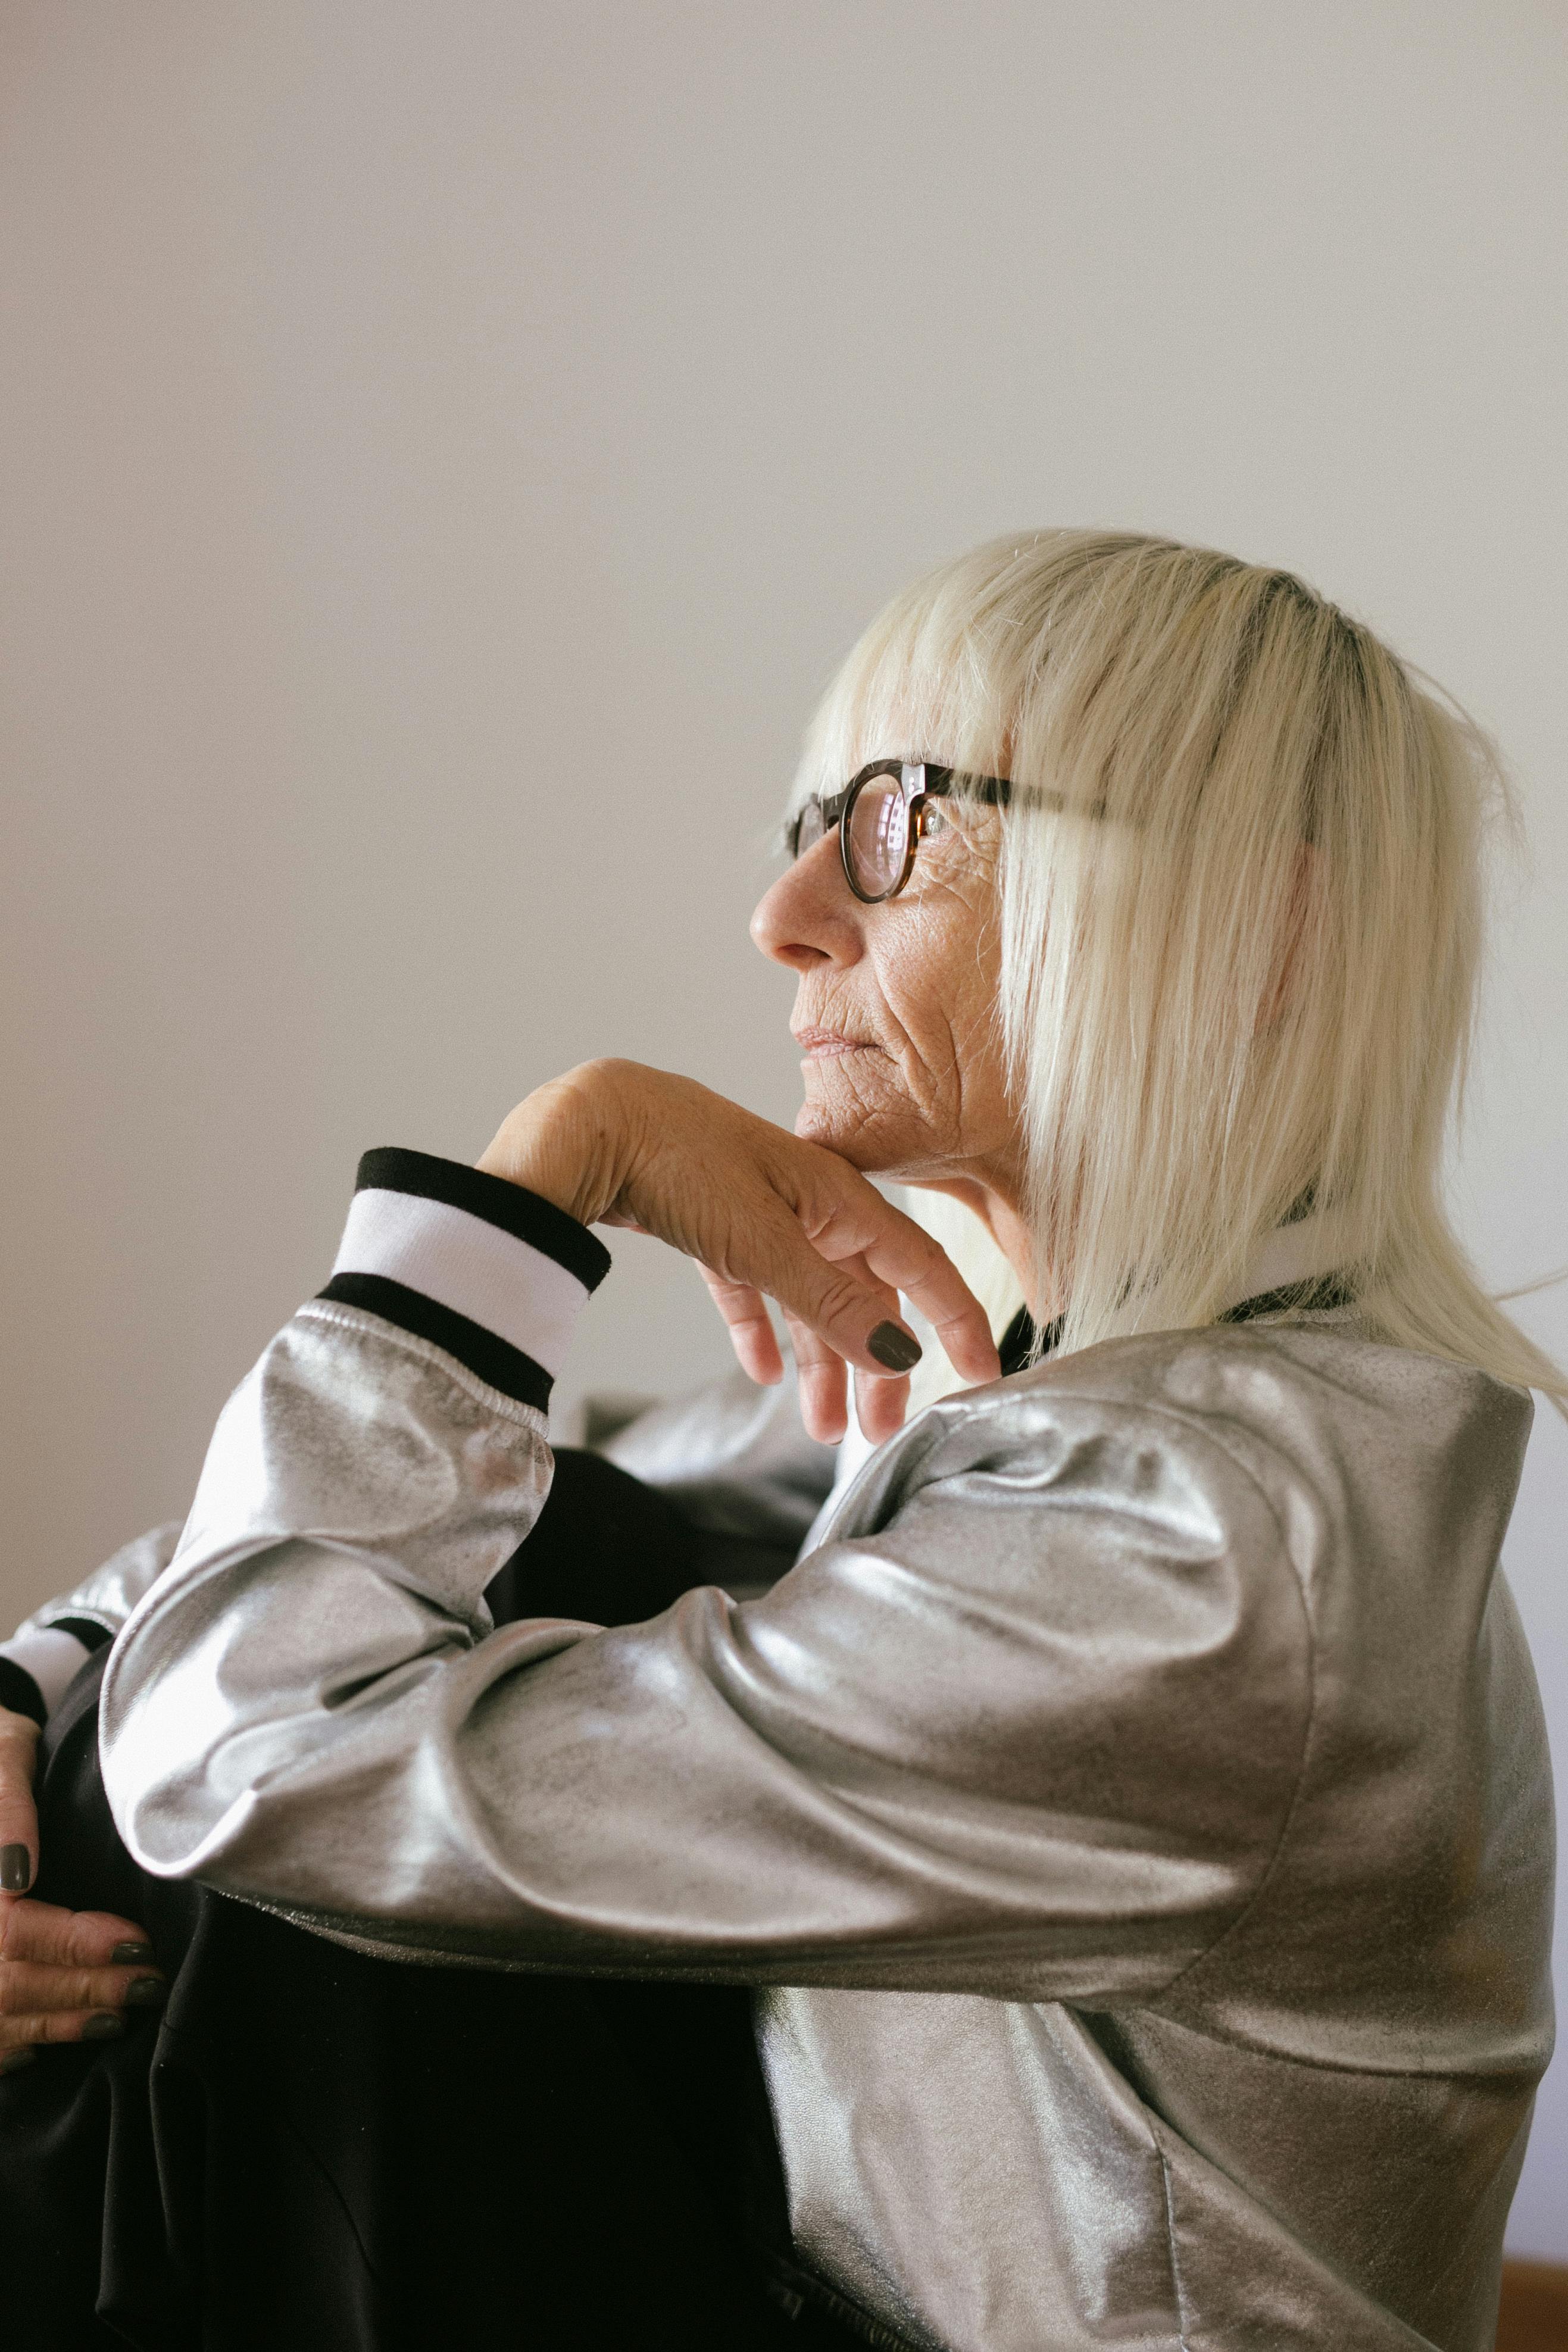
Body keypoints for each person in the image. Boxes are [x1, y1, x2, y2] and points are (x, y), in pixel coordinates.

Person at [1, 528, 1558, 2351]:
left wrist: (544, 1179)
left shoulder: (1203, 1553)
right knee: (524, 1543)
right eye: (810, 821)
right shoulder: (1040, 1377)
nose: (786, 913)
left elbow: (260, 1757)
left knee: (292, 1836)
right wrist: (24, 1689)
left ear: (1257, 929)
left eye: (900, 825)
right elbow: (486, 1521)